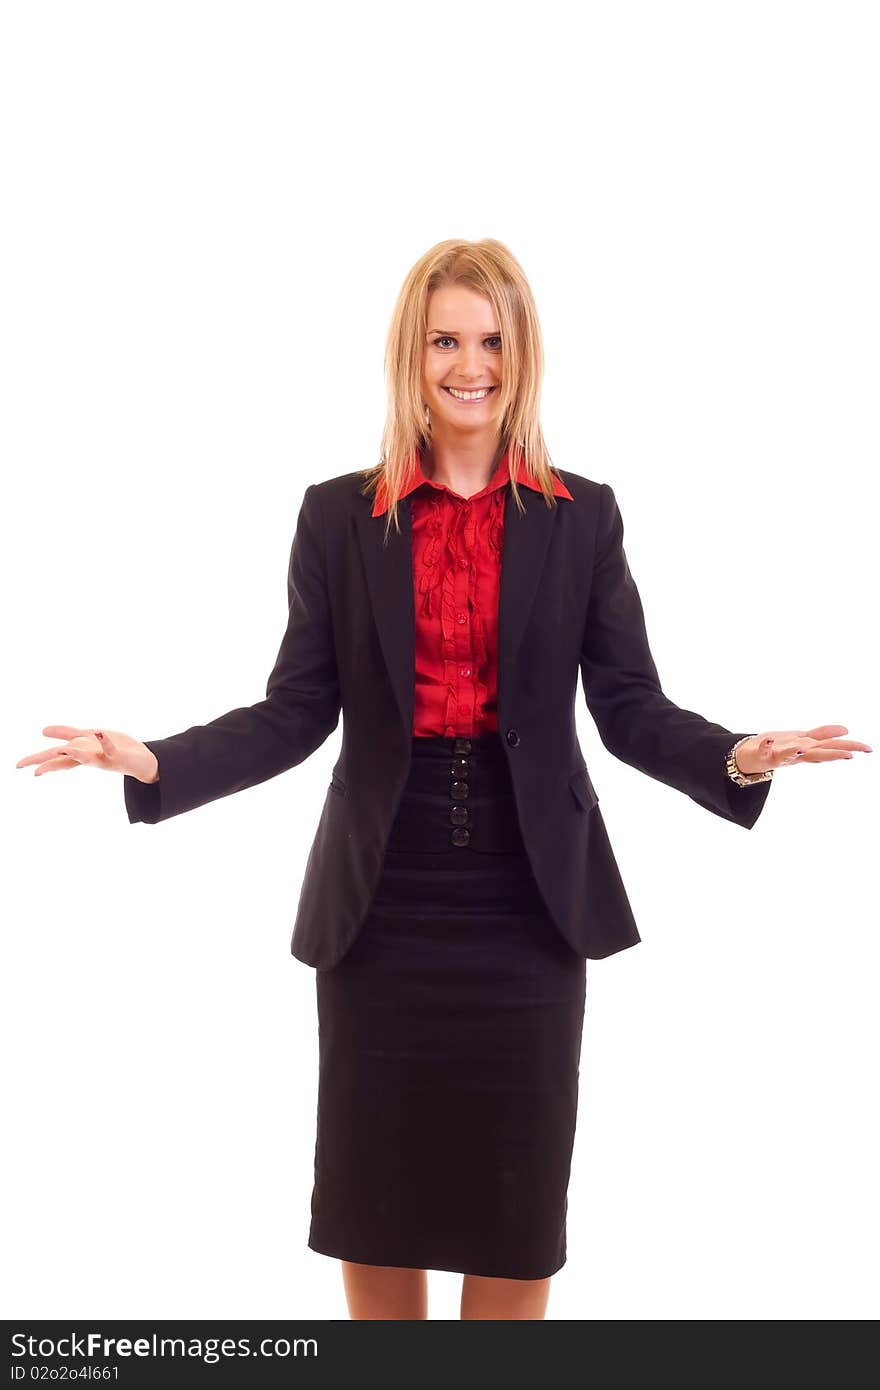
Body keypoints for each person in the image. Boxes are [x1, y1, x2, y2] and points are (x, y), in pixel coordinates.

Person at [16, 238, 871, 1321]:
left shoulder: (580, 515)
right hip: (381, 903)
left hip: (529, 901)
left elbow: (626, 705)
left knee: (515, 1218)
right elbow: (297, 707)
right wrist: (156, 761)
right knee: (377, 1203)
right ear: (410, 357)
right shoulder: (340, 515)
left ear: (523, 356)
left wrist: (740, 752)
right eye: (446, 340)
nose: (470, 365)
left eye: (492, 341)